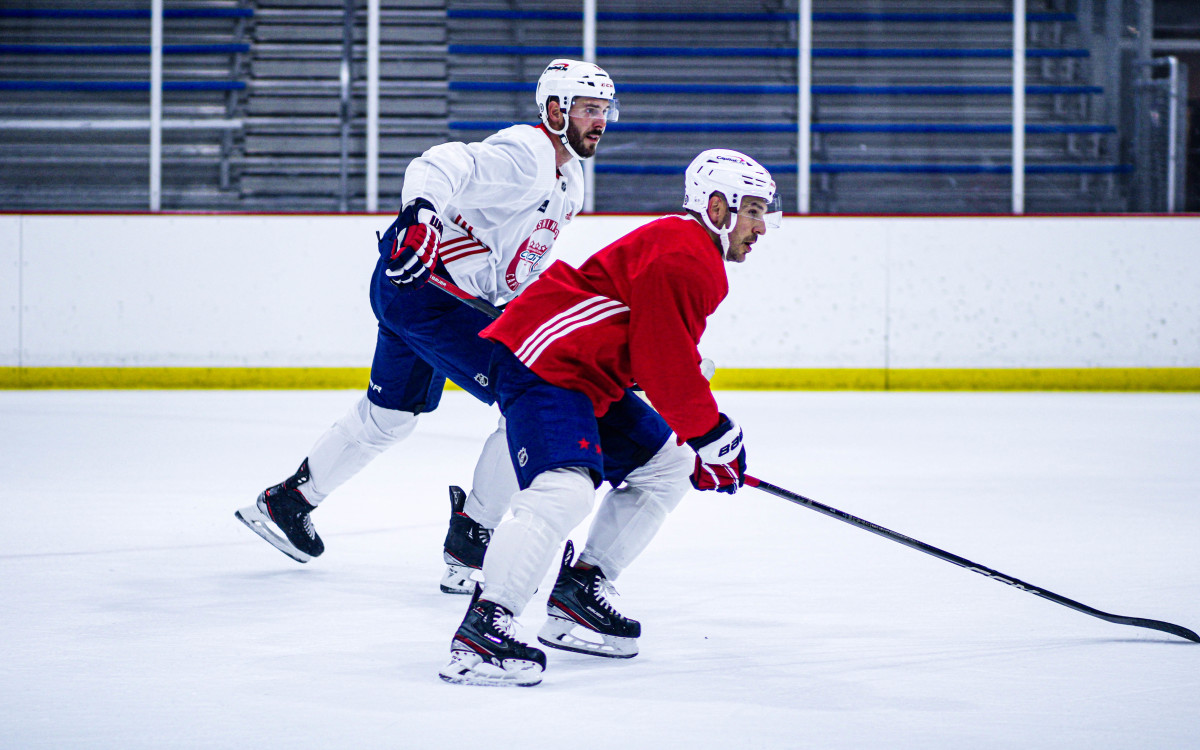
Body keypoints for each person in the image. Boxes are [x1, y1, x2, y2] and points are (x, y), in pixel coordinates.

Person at [235, 59, 619, 566]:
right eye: (589, 109)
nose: (601, 121)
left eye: (605, 110)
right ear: (555, 110)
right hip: (430, 291)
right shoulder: (527, 154)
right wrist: (420, 211)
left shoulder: (569, 181)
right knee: (531, 394)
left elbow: (520, 269)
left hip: (416, 291)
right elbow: (439, 163)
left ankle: (287, 503)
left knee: (389, 418)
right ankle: (472, 538)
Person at [439, 149, 782, 687]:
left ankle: (580, 589)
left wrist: (705, 436)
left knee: (666, 466)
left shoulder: (686, 247)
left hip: (582, 373)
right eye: (754, 211)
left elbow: (653, 350)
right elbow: (662, 361)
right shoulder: (686, 256)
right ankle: (486, 626)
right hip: (544, 361)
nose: (761, 227)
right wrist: (714, 436)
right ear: (718, 207)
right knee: (564, 489)